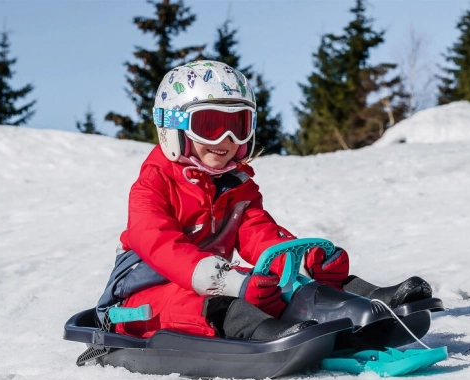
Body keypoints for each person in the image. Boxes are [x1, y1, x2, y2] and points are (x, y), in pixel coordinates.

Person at [96, 60, 430, 341]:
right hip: (142, 298)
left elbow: (256, 231)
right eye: (210, 126)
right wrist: (227, 282)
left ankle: (362, 304)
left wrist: (300, 259)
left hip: (214, 279)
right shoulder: (152, 185)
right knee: (198, 300)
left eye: (237, 125)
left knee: (273, 283)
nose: (226, 140)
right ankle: (267, 330)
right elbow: (157, 243)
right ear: (174, 127)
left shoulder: (235, 184)